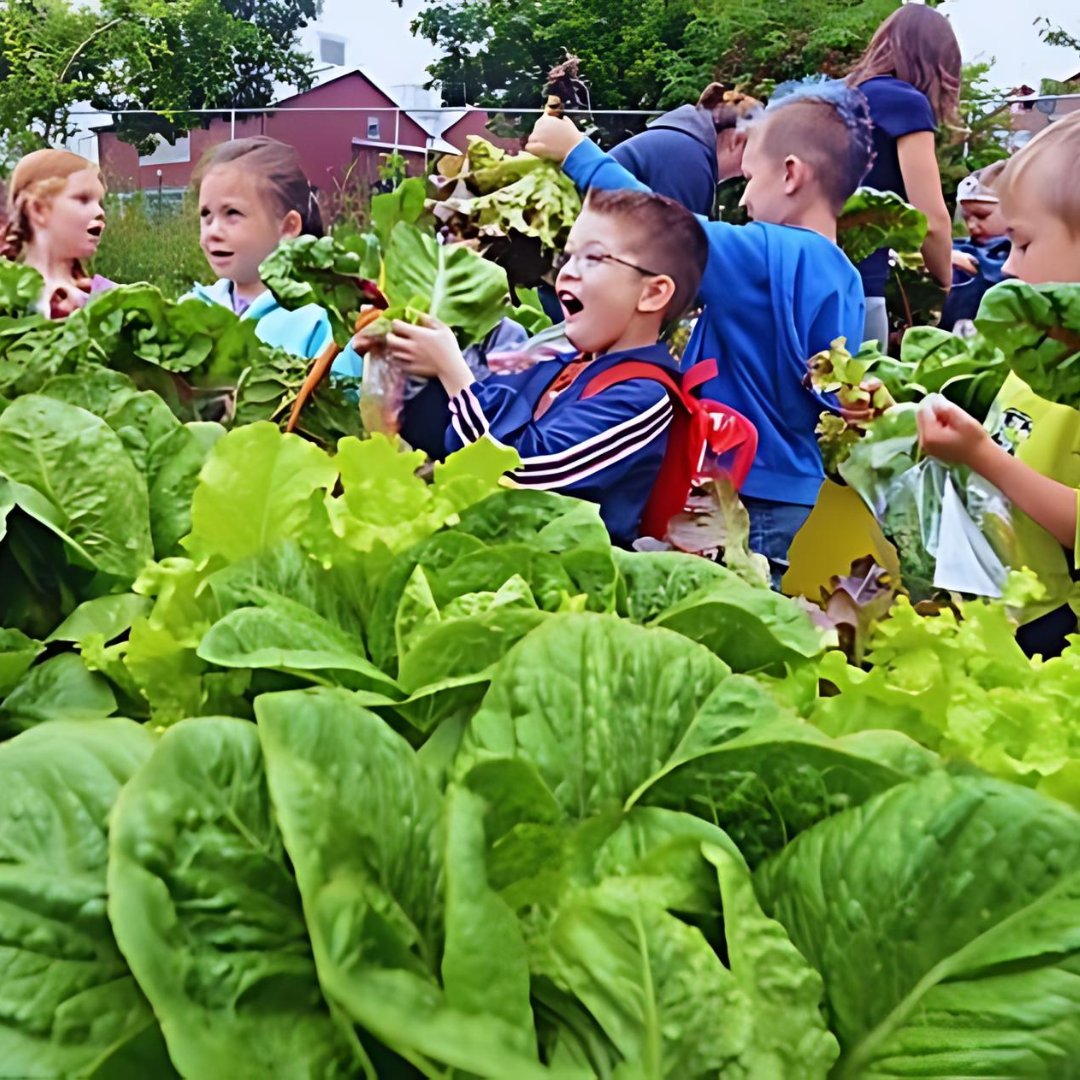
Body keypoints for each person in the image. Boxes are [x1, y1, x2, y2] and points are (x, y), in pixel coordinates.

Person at [526, 81, 873, 589]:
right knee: (754, 603)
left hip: (742, 486)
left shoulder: (766, 253)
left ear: (791, 175)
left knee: (722, 611)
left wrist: (578, 154)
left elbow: (664, 225)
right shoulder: (847, 277)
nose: (746, 197)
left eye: (750, 179)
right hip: (792, 483)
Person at [357, 188, 708, 546]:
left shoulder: (644, 396)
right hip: (494, 565)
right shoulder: (555, 360)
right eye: (568, 258)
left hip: (561, 587)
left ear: (652, 294)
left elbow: (522, 473)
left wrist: (451, 369)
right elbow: (455, 438)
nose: (568, 273)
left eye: (593, 259)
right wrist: (406, 364)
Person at [917, 112, 1080, 657]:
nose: (1007, 268)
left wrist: (982, 456)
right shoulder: (1043, 352)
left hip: (1060, 629)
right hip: (1007, 611)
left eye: (1025, 245)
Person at [185, 136, 354, 372]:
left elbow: (342, 401)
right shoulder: (189, 307)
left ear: (288, 227)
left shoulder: (319, 321)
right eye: (206, 216)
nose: (213, 232)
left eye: (232, 213)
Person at [848, 4, 961, 348]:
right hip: (856, 292)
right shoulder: (904, 102)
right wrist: (946, 284)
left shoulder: (841, 94)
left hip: (796, 279)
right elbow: (932, 221)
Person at [610, 85, 763, 217]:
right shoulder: (690, 162)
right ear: (737, 140)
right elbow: (674, 244)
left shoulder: (685, 148)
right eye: (760, 148)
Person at [1, 148, 113, 318]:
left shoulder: (113, 298)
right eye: (83, 199)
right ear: (38, 210)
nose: (99, 212)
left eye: (99, 202)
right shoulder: (8, 300)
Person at [939, 162, 1011, 333]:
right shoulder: (964, 245)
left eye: (981, 216)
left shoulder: (1012, 249)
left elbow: (1000, 272)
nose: (971, 224)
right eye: (966, 217)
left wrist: (966, 263)